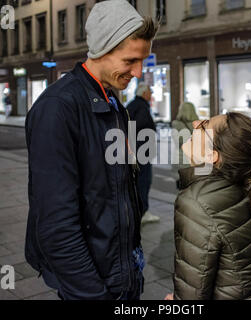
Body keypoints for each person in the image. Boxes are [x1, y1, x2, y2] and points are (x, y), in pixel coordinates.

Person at [25, 0, 158, 300]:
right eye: (130, 61)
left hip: (122, 276)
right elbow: (56, 226)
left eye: (143, 61)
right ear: (102, 50)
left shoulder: (111, 102)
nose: (138, 72)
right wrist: (92, 294)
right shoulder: (58, 109)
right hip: (94, 287)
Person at [165, 112, 251, 300]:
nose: (195, 123)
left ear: (211, 155)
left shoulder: (198, 202)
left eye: (204, 125)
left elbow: (192, 293)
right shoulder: (241, 185)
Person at [126, 82, 160, 224]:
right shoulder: (141, 107)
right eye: (150, 92)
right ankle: (142, 212)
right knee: (143, 181)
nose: (151, 95)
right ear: (144, 94)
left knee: (135, 182)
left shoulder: (132, 105)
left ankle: (136, 210)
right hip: (141, 151)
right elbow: (141, 128)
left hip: (133, 151)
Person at [171, 102, 199, 188]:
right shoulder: (198, 125)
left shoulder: (176, 124)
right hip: (195, 160)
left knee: (182, 188)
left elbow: (178, 141)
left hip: (180, 160)